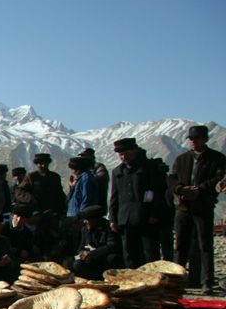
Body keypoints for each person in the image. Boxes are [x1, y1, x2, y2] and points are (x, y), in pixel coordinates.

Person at [168, 125, 226, 294]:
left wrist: (199, 189)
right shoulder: (181, 159)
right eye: (191, 139)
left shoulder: (217, 158)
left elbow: (219, 178)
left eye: (196, 138)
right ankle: (177, 282)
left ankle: (207, 282)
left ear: (205, 139)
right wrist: (180, 189)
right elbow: (172, 179)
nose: (193, 142)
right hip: (183, 207)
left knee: (205, 245)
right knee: (180, 246)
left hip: (203, 207)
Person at [108, 138, 163, 268]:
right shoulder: (117, 171)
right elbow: (114, 197)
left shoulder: (149, 167)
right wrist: (113, 218)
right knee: (129, 253)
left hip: (146, 216)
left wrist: (154, 213)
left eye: (126, 153)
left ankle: (153, 282)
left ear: (134, 151)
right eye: (121, 154)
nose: (123, 157)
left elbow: (158, 191)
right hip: (125, 219)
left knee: (149, 252)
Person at [71, 205, 119, 280]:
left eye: (87, 219)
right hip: (91, 261)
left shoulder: (107, 227)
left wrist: (93, 253)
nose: (85, 221)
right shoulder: (85, 229)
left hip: (103, 259)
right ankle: (95, 278)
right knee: (77, 264)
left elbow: (112, 246)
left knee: (112, 258)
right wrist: (83, 253)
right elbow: (80, 247)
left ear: (95, 219)